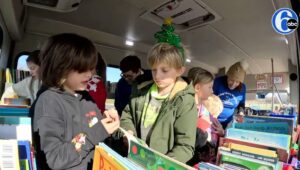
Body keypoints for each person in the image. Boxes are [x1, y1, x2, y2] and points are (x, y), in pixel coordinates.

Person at [32, 33, 120, 170]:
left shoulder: (86, 97)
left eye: (91, 68)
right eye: (82, 69)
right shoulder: (49, 101)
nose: (90, 74)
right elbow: (55, 158)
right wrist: (96, 132)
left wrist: (108, 125)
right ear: (61, 68)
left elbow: (94, 127)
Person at [119, 42, 197, 163]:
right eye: (154, 70)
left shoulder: (185, 101)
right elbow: (127, 115)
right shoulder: (141, 90)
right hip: (133, 159)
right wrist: (129, 132)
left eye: (164, 70)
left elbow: (185, 146)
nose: (157, 76)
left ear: (180, 71)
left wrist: (161, 164)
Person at [187, 67, 224, 166]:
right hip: (194, 161)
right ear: (197, 88)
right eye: (209, 87)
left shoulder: (203, 109)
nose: (212, 91)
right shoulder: (188, 110)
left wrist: (222, 132)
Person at [213, 61, 248, 129]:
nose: (233, 84)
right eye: (231, 80)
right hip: (213, 119)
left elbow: (241, 104)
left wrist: (241, 112)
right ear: (227, 76)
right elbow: (209, 100)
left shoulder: (243, 88)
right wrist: (212, 119)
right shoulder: (217, 82)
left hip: (228, 121)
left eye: (237, 82)